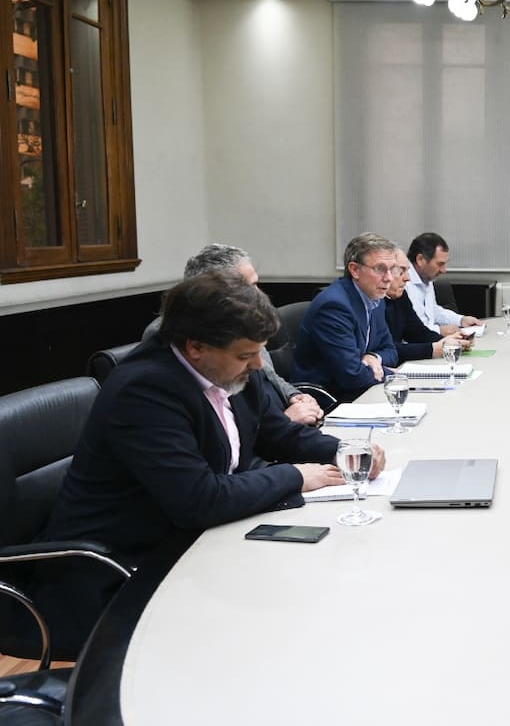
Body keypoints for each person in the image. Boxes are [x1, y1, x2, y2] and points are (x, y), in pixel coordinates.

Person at [36, 272, 376, 655]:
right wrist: (295, 476)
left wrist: (341, 450)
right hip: (119, 570)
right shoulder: (145, 390)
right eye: (246, 356)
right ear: (195, 347)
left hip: (196, 541)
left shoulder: (230, 371)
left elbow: (278, 433)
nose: (258, 366)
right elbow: (199, 499)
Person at [142, 243, 323, 426]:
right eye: (249, 286)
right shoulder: (172, 334)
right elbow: (222, 421)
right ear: (212, 290)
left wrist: (294, 395)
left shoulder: (245, 321)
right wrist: (284, 421)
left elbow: (267, 372)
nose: (258, 294)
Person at [292, 233, 401, 402]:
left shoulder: (375, 298)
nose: (389, 278)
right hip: (329, 399)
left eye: (393, 269)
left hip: (362, 390)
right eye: (380, 269)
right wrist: (392, 374)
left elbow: (391, 351)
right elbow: (352, 375)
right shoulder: (334, 306)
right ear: (355, 270)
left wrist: (373, 357)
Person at [383, 250, 472, 363]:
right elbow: (385, 348)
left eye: (407, 271)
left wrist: (449, 342)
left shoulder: (400, 295)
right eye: (401, 271)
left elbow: (417, 332)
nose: (407, 278)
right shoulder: (375, 302)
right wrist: (434, 348)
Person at [406, 232, 483, 335]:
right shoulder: (402, 284)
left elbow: (433, 312)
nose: (444, 270)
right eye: (440, 264)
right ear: (420, 260)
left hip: (429, 342)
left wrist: (461, 320)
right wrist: (440, 331)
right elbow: (408, 330)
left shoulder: (426, 277)